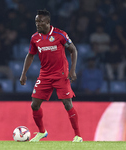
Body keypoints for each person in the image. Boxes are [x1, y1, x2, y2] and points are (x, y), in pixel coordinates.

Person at [19, 9, 82, 142]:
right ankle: (42, 132)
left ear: (48, 22)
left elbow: (73, 50)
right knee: (34, 105)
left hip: (61, 74)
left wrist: (72, 70)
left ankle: (78, 135)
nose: (38, 24)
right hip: (44, 75)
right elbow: (30, 55)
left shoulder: (60, 34)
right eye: (36, 21)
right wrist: (24, 73)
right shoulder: (34, 38)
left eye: (40, 21)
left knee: (67, 103)